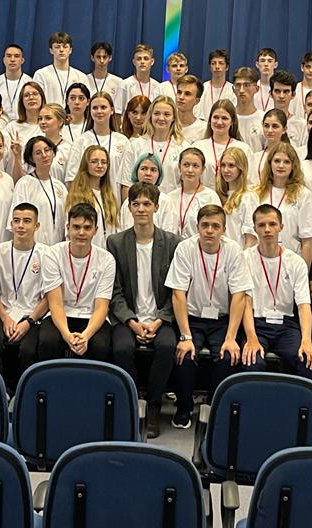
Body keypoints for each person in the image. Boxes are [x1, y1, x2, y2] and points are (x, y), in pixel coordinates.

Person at [167, 203, 254, 429]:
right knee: (184, 355)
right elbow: (178, 294)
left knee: (228, 356)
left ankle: (215, 408)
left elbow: (239, 295)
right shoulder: (185, 248)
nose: (209, 230)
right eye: (204, 225)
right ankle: (184, 408)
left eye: (215, 226)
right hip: (192, 318)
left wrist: (231, 337)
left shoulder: (233, 250)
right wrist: (185, 336)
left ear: (223, 229)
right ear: (197, 226)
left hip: (222, 319)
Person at [107, 183, 182, 438]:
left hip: (161, 318)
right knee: (121, 349)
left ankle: (153, 404)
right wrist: (132, 322)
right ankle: (130, 401)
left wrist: (159, 321)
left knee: (167, 347)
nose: (141, 209)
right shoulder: (116, 243)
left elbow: (176, 292)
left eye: (147, 204)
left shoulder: (172, 243)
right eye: (136, 204)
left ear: (156, 207)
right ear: (129, 208)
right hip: (128, 318)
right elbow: (115, 292)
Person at [241, 204, 312, 379]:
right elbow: (245, 302)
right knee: (252, 361)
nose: (267, 229)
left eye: (272, 224)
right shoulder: (245, 259)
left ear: (281, 227)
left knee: (308, 360)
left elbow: (303, 305)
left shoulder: (296, 262)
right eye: (261, 225)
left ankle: (297, 398)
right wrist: (251, 338)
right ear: (254, 228)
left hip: (286, 325)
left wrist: (307, 341)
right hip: (257, 324)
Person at [37, 203, 115, 361]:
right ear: (68, 228)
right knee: (48, 341)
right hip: (62, 313)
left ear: (95, 230)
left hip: (91, 315)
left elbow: (101, 307)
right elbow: (55, 303)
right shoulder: (53, 254)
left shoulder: (107, 260)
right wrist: (67, 335)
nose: (81, 232)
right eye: (76, 227)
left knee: (100, 346)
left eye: (87, 228)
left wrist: (85, 336)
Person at [0, 203, 49, 381]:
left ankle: (24, 390)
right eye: (16, 221)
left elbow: (49, 298)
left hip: (33, 315)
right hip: (2, 311)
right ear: (11, 224)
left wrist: (28, 322)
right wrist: (5, 319)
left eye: (27, 221)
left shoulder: (46, 254)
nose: (21, 226)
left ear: (37, 225)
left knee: (29, 350)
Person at [255, 142, 312, 268]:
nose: (281, 166)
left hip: (291, 261)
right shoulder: (257, 193)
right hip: (261, 261)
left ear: (293, 166)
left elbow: (307, 240)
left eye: (287, 162)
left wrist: (304, 272)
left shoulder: (303, 195)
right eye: (277, 161)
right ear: (270, 163)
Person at [120, 95, 184, 199]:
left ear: (173, 118)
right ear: (150, 116)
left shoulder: (183, 148)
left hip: (172, 205)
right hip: (141, 206)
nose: (161, 118)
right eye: (157, 113)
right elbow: (127, 184)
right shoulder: (135, 146)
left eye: (167, 114)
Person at [11, 135, 68, 245]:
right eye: (38, 153)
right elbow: (18, 219)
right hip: (34, 248)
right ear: (31, 158)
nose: (44, 155)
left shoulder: (60, 186)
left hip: (57, 248)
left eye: (47, 150)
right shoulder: (25, 184)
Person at [64, 92, 129, 187]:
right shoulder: (81, 141)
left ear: (112, 110)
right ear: (90, 111)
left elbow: (126, 180)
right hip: (87, 195)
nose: (99, 111)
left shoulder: (123, 141)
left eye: (103, 107)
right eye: (95, 108)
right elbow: (71, 178)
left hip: (115, 195)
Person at [156, 148, 222, 239]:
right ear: (179, 167)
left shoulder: (211, 197)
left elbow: (216, 229)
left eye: (195, 166)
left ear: (202, 169)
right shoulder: (170, 197)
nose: (190, 170)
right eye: (186, 165)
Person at [66, 145, 120, 246]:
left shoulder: (109, 196)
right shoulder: (77, 196)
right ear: (86, 165)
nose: (100, 166)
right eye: (94, 161)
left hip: (108, 251)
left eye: (104, 162)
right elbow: (70, 233)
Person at [195, 99, 253, 189]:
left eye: (224, 118)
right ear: (210, 119)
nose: (219, 122)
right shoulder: (198, 147)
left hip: (234, 196)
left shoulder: (243, 148)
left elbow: (250, 182)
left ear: (232, 121)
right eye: (216, 117)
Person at [216, 146, 259, 248]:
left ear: (241, 168)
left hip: (239, 253)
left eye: (231, 166)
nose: (226, 170)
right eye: (223, 165)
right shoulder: (217, 195)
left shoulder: (248, 197)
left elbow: (251, 238)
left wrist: (243, 257)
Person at [32, 31, 88, 109]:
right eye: (57, 47)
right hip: (49, 115)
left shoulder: (81, 76)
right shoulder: (41, 74)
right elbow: (37, 101)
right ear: (51, 50)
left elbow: (87, 103)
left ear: (70, 50)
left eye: (65, 47)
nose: (61, 50)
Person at [249, 109, 290, 186]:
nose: (270, 130)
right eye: (266, 126)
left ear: (284, 129)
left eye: (275, 126)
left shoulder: (290, 156)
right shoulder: (255, 157)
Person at [117, 44, 162, 111]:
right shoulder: (125, 85)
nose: (142, 62)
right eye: (139, 59)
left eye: (146, 59)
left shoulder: (158, 87)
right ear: (134, 62)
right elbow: (118, 111)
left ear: (152, 61)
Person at [232, 66, 265, 151]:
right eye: (238, 85)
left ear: (256, 89)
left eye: (246, 85)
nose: (241, 90)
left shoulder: (264, 118)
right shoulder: (227, 117)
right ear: (233, 89)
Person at [0, 43, 32, 118]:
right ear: (4, 60)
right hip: (1, 122)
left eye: (16, 56)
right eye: (9, 56)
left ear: (22, 60)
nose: (12, 59)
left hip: (23, 122)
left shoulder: (30, 83)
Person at [85, 41, 122, 113]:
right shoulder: (84, 79)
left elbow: (118, 111)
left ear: (110, 58)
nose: (102, 61)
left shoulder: (118, 82)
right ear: (92, 58)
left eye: (105, 57)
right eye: (98, 57)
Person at [199, 48, 235, 119]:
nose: (217, 67)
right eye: (213, 63)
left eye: (221, 63)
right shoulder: (203, 88)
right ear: (210, 67)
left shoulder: (232, 89)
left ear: (227, 67)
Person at [175, 74, 207, 144]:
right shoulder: (166, 124)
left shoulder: (203, 129)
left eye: (187, 94)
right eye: (179, 92)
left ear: (197, 101)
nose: (181, 97)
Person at [254, 48, 278, 112]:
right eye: (262, 61)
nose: (266, 64)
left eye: (270, 61)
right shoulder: (252, 88)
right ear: (257, 64)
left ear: (275, 65)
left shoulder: (280, 89)